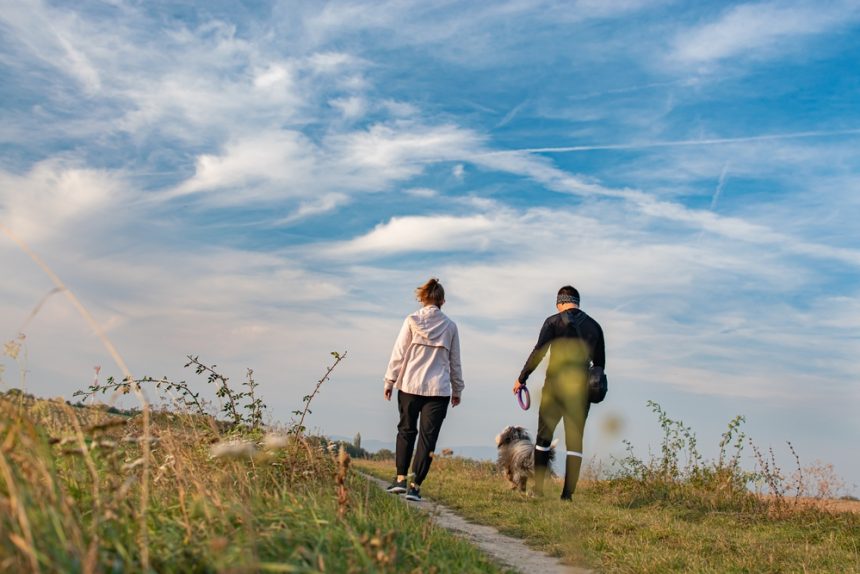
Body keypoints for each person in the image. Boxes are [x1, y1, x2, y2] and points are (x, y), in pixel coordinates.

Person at [513, 285, 605, 500]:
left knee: (543, 439)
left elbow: (538, 352)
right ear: (577, 302)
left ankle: (538, 490)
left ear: (560, 302)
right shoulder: (595, 327)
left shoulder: (553, 322)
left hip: (554, 389)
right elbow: (600, 365)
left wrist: (522, 378)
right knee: (575, 444)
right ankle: (567, 496)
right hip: (580, 392)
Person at [383, 278, 463, 502]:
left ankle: (400, 479)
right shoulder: (450, 327)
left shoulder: (411, 320)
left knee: (406, 431)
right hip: (438, 391)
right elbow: (455, 361)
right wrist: (457, 389)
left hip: (409, 385)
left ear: (423, 299)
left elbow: (399, 353)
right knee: (428, 439)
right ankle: (414, 486)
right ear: (442, 301)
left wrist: (389, 380)